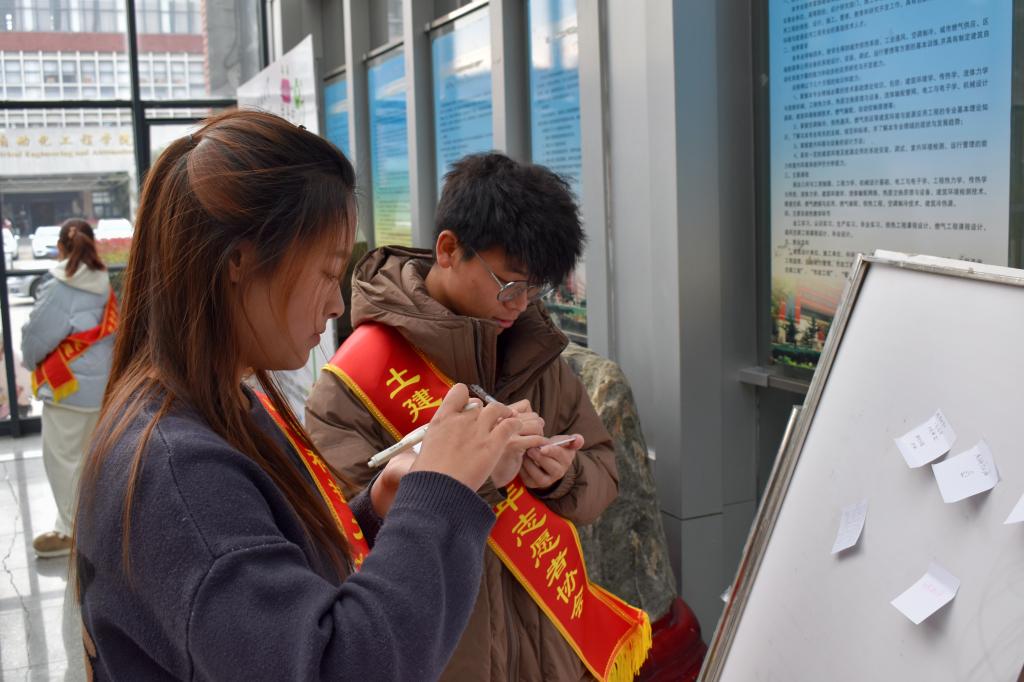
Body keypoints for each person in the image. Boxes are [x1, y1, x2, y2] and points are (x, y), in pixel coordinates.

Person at [73, 110, 532, 680]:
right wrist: (441, 493)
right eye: (327, 272)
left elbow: (275, 595)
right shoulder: (177, 472)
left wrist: (378, 509)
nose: (337, 304)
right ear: (239, 260)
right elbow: (333, 665)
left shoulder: (217, 406)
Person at [306, 153, 648, 682]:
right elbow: (342, 535)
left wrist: (563, 476)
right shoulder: (354, 381)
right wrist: (478, 476)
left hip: (547, 658)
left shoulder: (537, 358)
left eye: (534, 289)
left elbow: (603, 470)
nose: (520, 305)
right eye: (509, 284)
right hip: (442, 658)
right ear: (448, 249)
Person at [21, 218, 115, 558]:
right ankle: (97, 527)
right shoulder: (104, 282)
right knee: (93, 461)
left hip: (68, 390)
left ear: (61, 247)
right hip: (102, 388)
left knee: (62, 461)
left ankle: (72, 533)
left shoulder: (59, 285)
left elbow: (36, 337)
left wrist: (30, 360)